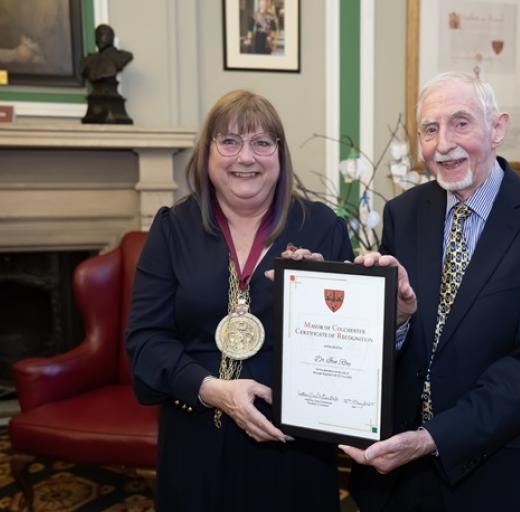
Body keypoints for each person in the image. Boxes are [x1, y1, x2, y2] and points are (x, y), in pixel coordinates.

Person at [344, 72, 520, 511]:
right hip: (405, 479)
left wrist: (434, 439)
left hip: (501, 474)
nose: (443, 144)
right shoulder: (403, 213)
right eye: (430, 129)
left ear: (497, 128)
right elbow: (397, 341)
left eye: (461, 123)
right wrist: (396, 322)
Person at [126, 90, 354, 511]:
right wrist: (213, 390)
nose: (245, 157)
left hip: (293, 445)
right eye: (229, 141)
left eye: (262, 143)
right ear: (207, 153)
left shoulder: (322, 228)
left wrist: (319, 289)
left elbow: (349, 347)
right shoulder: (172, 228)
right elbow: (145, 342)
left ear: (280, 154)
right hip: (196, 438)